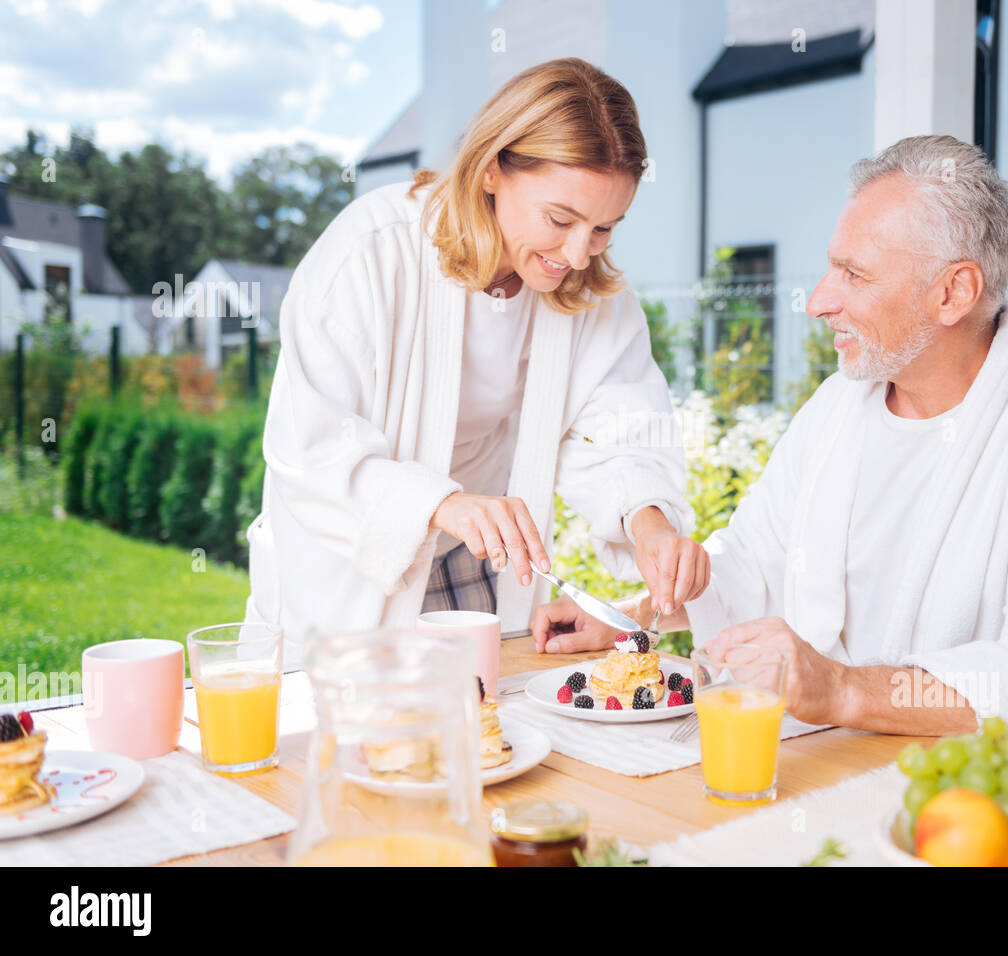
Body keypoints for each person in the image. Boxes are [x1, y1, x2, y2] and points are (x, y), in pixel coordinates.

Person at [533, 134, 1008, 738]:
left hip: (980, 802)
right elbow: (755, 561)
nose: (819, 301)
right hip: (833, 766)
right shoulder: (840, 405)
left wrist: (844, 691)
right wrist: (635, 619)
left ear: (953, 292)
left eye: (853, 275)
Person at [244, 58, 709, 645]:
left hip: (472, 557)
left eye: (604, 228)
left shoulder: (590, 291)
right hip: (353, 567)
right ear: (492, 170)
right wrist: (442, 504)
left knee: (482, 724)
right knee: (350, 732)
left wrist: (650, 525)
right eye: (560, 218)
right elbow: (307, 449)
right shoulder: (370, 253)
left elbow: (619, 430)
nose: (577, 253)